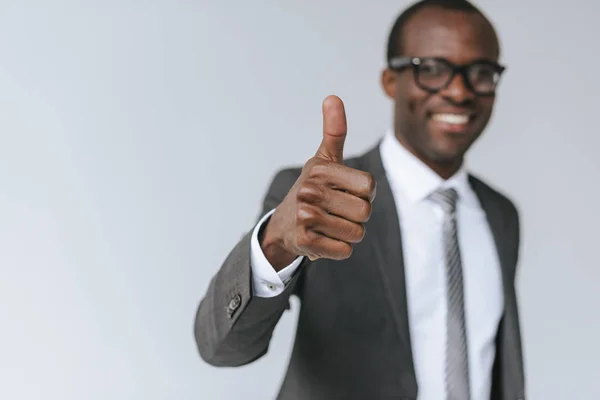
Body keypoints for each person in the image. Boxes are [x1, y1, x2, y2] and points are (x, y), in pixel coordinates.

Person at [194, 0, 525, 399]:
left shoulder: (500, 215)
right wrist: (275, 243)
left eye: (481, 73)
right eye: (432, 70)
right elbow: (221, 348)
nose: (459, 91)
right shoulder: (319, 199)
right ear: (390, 81)